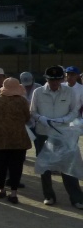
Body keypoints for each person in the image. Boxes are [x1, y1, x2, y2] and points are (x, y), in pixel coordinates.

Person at [30, 65, 83, 208]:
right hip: (43, 132)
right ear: (46, 79)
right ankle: (49, 195)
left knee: (68, 163)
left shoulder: (69, 91)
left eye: (57, 80)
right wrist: (41, 118)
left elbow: (74, 111)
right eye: (51, 80)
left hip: (63, 132)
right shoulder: (38, 92)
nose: (54, 83)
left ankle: (77, 198)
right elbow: (32, 111)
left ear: (61, 79)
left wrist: (64, 120)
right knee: (45, 165)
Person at [0, 77, 31, 204]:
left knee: (1, 165)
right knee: (16, 166)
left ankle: (1, 189)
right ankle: (14, 192)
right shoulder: (22, 101)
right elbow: (27, 117)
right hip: (19, 139)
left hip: (1, 138)